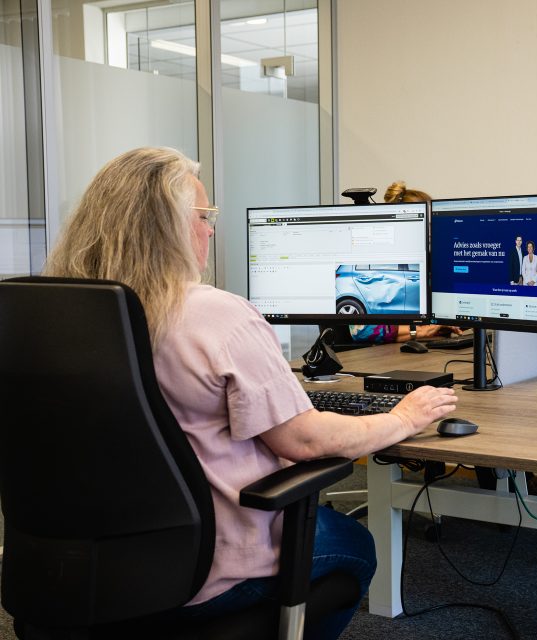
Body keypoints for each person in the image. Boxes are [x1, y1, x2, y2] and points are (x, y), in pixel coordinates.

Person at [42, 148, 459, 638]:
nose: (211, 230)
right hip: (206, 568)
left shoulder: (54, 316)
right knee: (355, 545)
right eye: (204, 216)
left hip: (73, 563)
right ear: (169, 226)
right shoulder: (215, 316)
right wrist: (404, 418)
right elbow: (303, 442)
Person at [349, 181, 460, 344]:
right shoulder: (372, 267)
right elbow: (363, 330)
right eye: (427, 225)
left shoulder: (427, 265)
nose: (433, 232)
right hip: (375, 357)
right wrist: (422, 331)